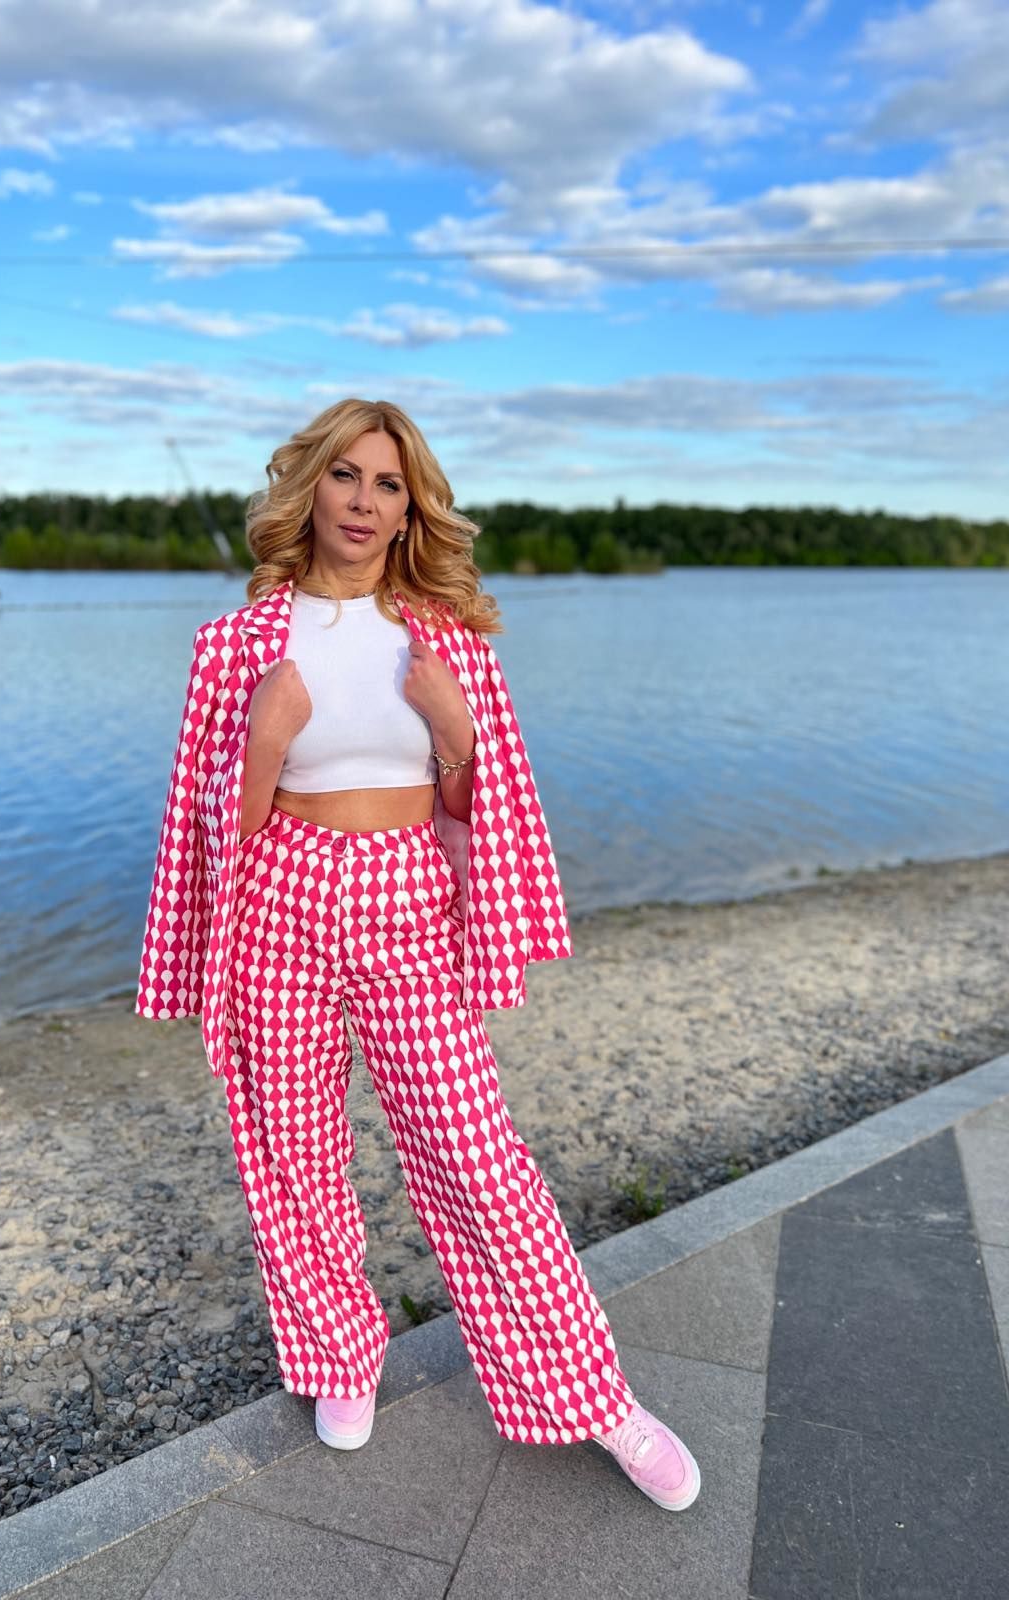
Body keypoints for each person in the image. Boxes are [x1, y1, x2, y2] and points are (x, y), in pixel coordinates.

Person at [135, 397, 700, 1511]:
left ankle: (597, 1399)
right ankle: (339, 1355)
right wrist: (263, 741)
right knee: (292, 1149)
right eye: (345, 475)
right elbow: (211, 836)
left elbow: (482, 811)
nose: (363, 500)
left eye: (387, 484)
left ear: (410, 510)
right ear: (310, 489)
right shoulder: (236, 644)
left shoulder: (447, 640)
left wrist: (455, 729)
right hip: (282, 894)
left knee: (477, 1155)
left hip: (408, 897)